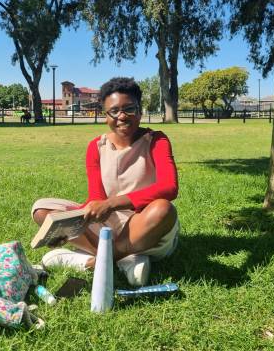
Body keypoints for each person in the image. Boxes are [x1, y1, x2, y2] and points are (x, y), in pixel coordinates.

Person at [31, 77, 179, 286]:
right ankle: (126, 260)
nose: (122, 116)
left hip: (146, 225)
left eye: (129, 109)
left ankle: (92, 262)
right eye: (114, 111)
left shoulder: (156, 140)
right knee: (42, 210)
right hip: (109, 222)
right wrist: (70, 225)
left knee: (163, 209)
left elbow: (169, 187)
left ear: (140, 110)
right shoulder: (96, 146)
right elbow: (96, 198)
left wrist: (111, 204)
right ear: (105, 115)